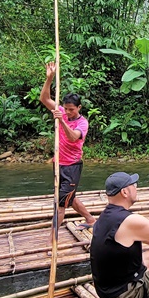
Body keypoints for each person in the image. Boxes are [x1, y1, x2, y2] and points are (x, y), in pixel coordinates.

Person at [39, 62, 96, 225]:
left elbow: (73, 137)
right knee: (69, 197)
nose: (68, 112)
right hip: (59, 164)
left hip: (72, 166)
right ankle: (90, 219)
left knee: (61, 205)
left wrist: (61, 121)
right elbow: (44, 98)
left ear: (79, 107)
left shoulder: (82, 123)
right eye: (66, 109)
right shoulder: (62, 111)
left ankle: (52, 241)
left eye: (72, 109)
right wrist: (49, 78)